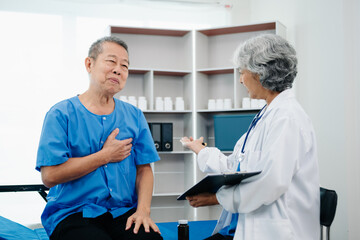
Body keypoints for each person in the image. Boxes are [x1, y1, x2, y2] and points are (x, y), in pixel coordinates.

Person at [181, 34, 320, 240]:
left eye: (242, 71)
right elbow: (236, 166)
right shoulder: (267, 115)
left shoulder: (287, 118)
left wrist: (216, 198)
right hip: (248, 226)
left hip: (278, 232)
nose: (240, 79)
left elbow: (270, 183)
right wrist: (201, 150)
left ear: (260, 73)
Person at [36, 36, 163, 240]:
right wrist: (104, 156)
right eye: (111, 61)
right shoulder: (61, 114)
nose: (118, 70)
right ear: (89, 64)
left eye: (124, 66)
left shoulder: (134, 116)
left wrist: (143, 211)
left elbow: (144, 169)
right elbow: (50, 177)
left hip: (122, 212)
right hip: (73, 213)